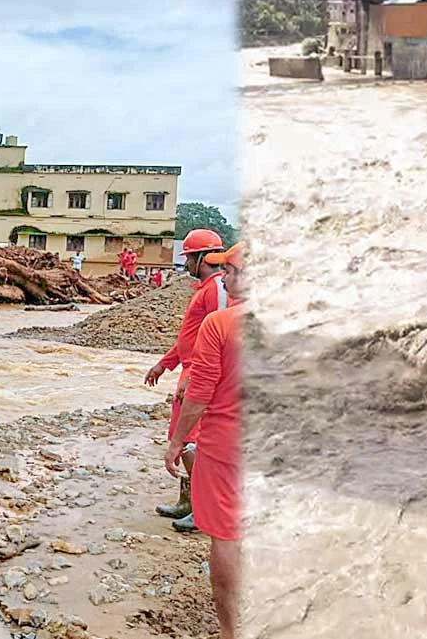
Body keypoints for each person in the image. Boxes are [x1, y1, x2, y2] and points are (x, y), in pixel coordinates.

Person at [165, 242, 244, 639]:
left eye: (229, 271)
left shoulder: (223, 321)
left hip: (227, 443)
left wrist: (177, 441)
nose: (224, 277)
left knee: (227, 535)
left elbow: (201, 391)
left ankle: (230, 631)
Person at [144, 228, 228, 532]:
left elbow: (220, 336)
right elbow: (189, 338)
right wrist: (164, 365)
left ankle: (202, 508)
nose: (187, 264)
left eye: (190, 258)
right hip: (189, 369)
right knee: (183, 438)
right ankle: (188, 501)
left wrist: (198, 379)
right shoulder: (205, 289)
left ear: (202, 258)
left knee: (192, 441)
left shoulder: (217, 289)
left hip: (199, 372)